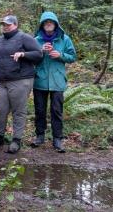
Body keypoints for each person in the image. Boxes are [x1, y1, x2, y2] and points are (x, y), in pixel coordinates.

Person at [0, 15, 43, 153]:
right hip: (1, 82)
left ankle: (16, 140)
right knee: (0, 110)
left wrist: (24, 54)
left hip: (20, 80)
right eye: (4, 24)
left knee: (18, 111)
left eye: (8, 24)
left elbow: (39, 54)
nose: (5, 27)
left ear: (16, 25)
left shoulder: (24, 37)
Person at [31, 11, 76, 153]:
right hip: (40, 80)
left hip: (57, 80)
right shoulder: (36, 40)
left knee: (56, 111)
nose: (48, 24)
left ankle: (57, 139)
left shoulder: (64, 39)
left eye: (51, 22)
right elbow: (31, 58)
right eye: (46, 22)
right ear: (42, 25)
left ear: (55, 24)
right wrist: (40, 51)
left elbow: (72, 56)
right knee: (40, 110)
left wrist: (60, 55)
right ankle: (40, 136)